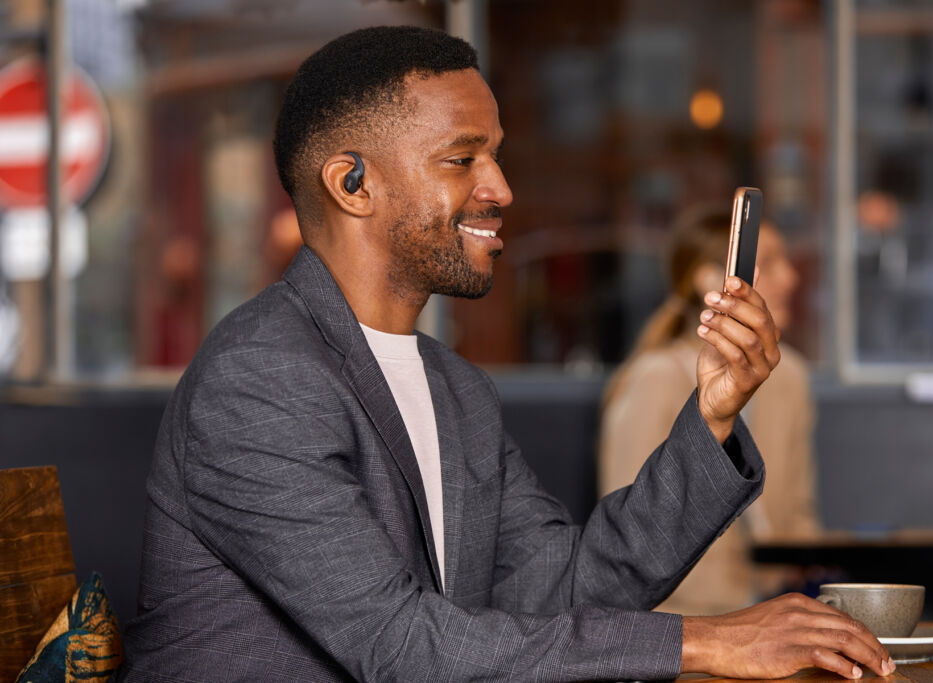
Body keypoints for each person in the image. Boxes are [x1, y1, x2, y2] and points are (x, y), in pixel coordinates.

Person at [118, 26, 894, 682]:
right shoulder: (258, 380)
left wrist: (713, 417)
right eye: (463, 159)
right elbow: (399, 645)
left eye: (495, 155)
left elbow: (570, 588)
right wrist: (706, 638)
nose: (502, 187)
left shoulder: (455, 388)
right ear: (353, 182)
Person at [600, 208, 820, 617]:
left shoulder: (790, 376)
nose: (790, 277)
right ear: (711, 281)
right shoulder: (654, 378)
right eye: (769, 263)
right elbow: (625, 533)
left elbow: (799, 511)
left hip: (775, 609)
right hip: (683, 618)